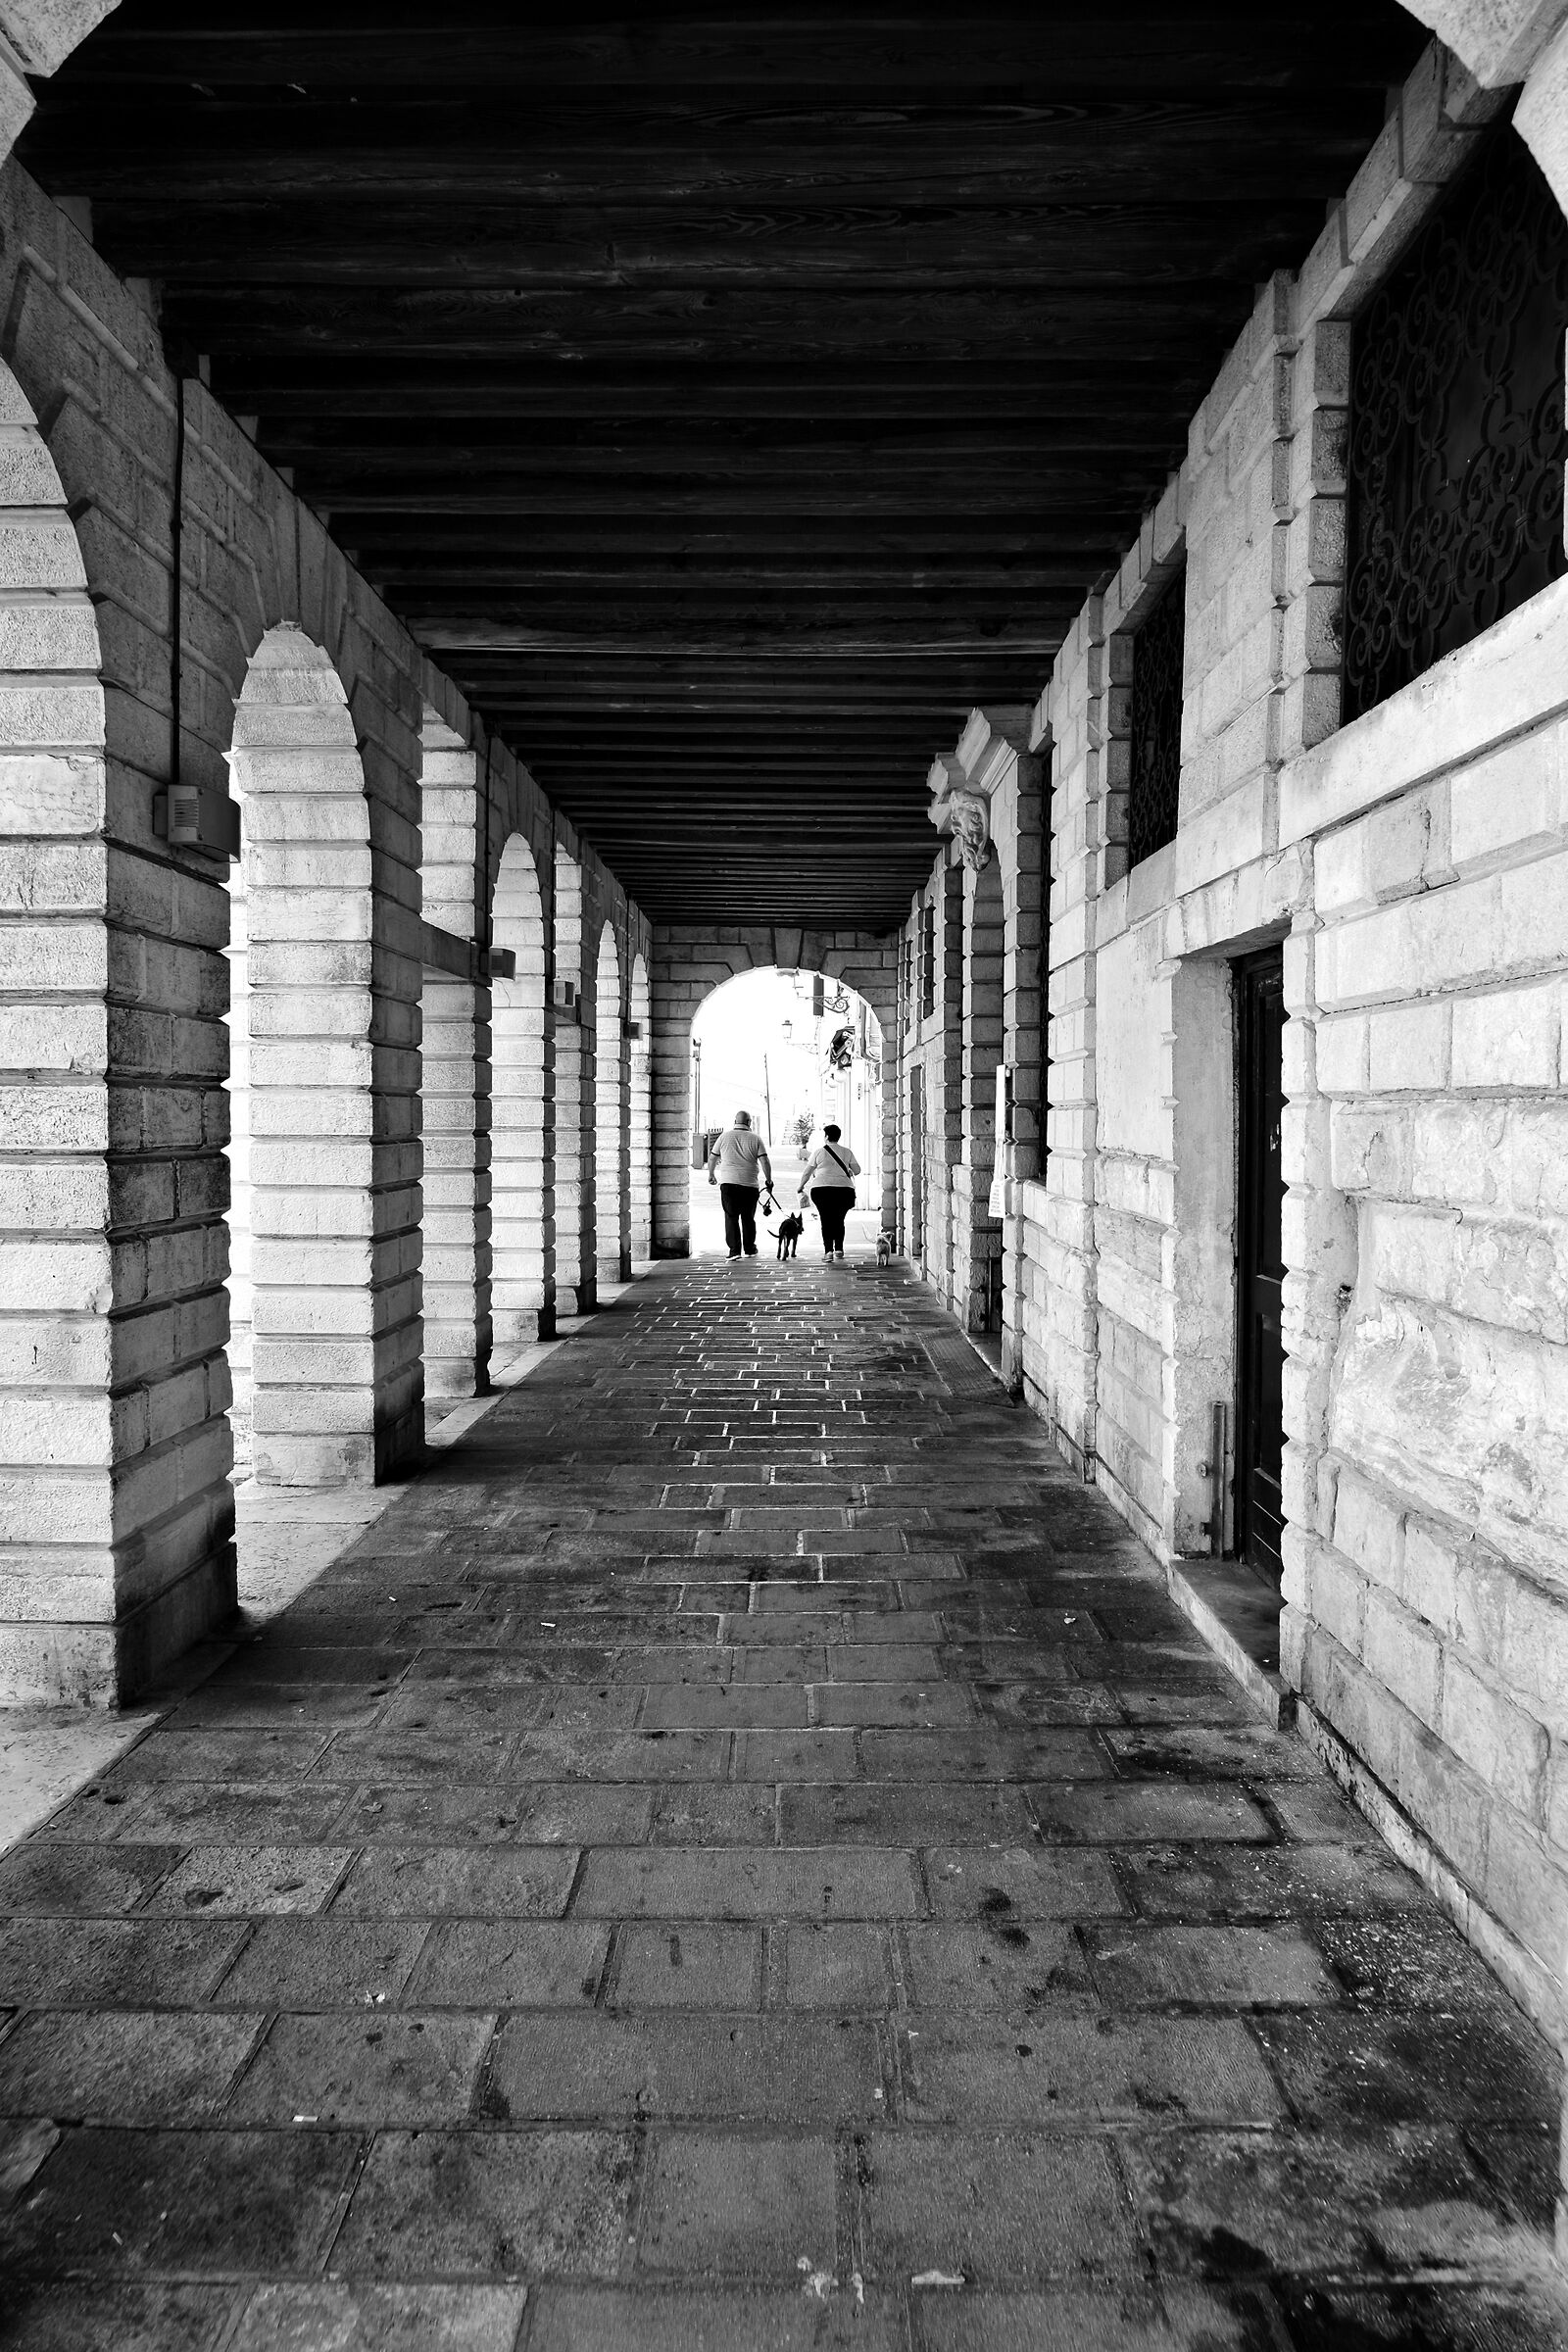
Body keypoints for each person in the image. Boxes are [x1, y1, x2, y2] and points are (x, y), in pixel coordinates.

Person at [707, 1107, 772, 1258]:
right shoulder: (756, 1138)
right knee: (748, 1217)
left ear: (735, 1122)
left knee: (731, 1216)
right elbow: (764, 1161)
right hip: (749, 1185)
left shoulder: (724, 1137)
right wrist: (769, 1180)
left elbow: (712, 1158)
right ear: (749, 1122)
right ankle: (749, 1248)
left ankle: (734, 1251)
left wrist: (711, 1174)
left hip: (728, 1184)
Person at [798, 1122, 859, 1260]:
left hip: (821, 1190)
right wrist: (847, 1169)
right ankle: (839, 1249)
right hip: (844, 1191)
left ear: (826, 1136)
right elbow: (857, 1170)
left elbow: (807, 1172)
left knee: (826, 1220)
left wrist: (800, 1186)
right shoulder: (847, 1152)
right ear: (838, 1136)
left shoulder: (818, 1152)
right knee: (839, 1220)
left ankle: (828, 1252)